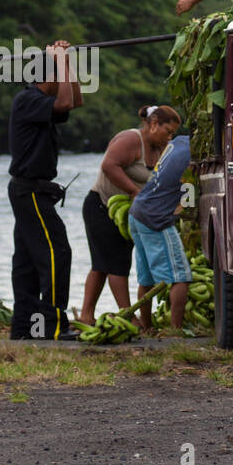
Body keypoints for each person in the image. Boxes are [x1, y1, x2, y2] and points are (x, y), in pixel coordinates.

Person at [7, 40, 83, 340]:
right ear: (48, 76)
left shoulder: (39, 104)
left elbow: (75, 101)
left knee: (26, 262)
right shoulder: (28, 99)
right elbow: (64, 102)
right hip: (30, 193)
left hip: (32, 191)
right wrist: (61, 60)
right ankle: (51, 327)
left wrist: (66, 61)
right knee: (57, 253)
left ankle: (25, 328)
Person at [78, 105, 181, 324]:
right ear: (154, 124)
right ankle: (128, 315)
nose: (170, 137)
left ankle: (86, 316)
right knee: (116, 262)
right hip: (102, 207)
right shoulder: (131, 139)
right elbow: (109, 165)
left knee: (101, 265)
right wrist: (134, 191)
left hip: (131, 215)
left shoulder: (161, 148)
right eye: (167, 131)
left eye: (174, 134)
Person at [129, 132, 193, 330]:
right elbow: (189, 197)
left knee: (146, 278)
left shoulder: (178, 142)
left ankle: (147, 327)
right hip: (155, 219)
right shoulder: (194, 154)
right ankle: (176, 330)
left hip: (137, 213)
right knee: (180, 277)